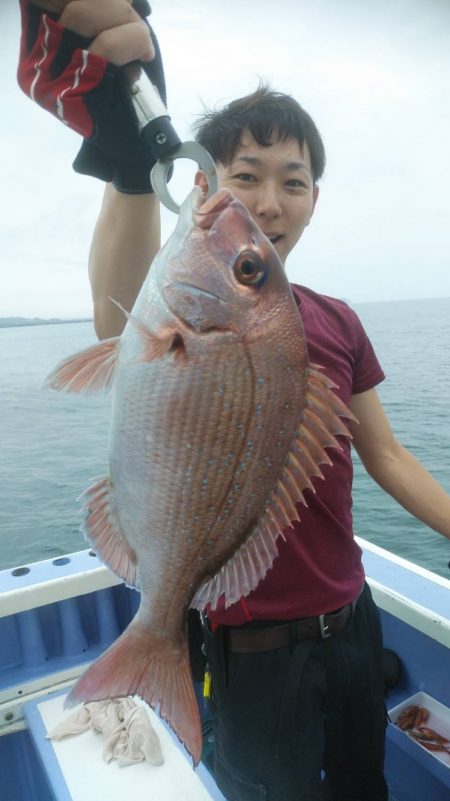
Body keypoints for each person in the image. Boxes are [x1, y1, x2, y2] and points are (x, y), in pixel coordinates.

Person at [18, 3, 450, 800]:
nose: (269, 201)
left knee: (363, 782)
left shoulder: (339, 320)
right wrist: (122, 166)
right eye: (244, 175)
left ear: (316, 198)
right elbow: (117, 296)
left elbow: (386, 455)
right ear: (202, 182)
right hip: (247, 649)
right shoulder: (167, 306)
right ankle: (158, 652)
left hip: (351, 622)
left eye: (293, 182)